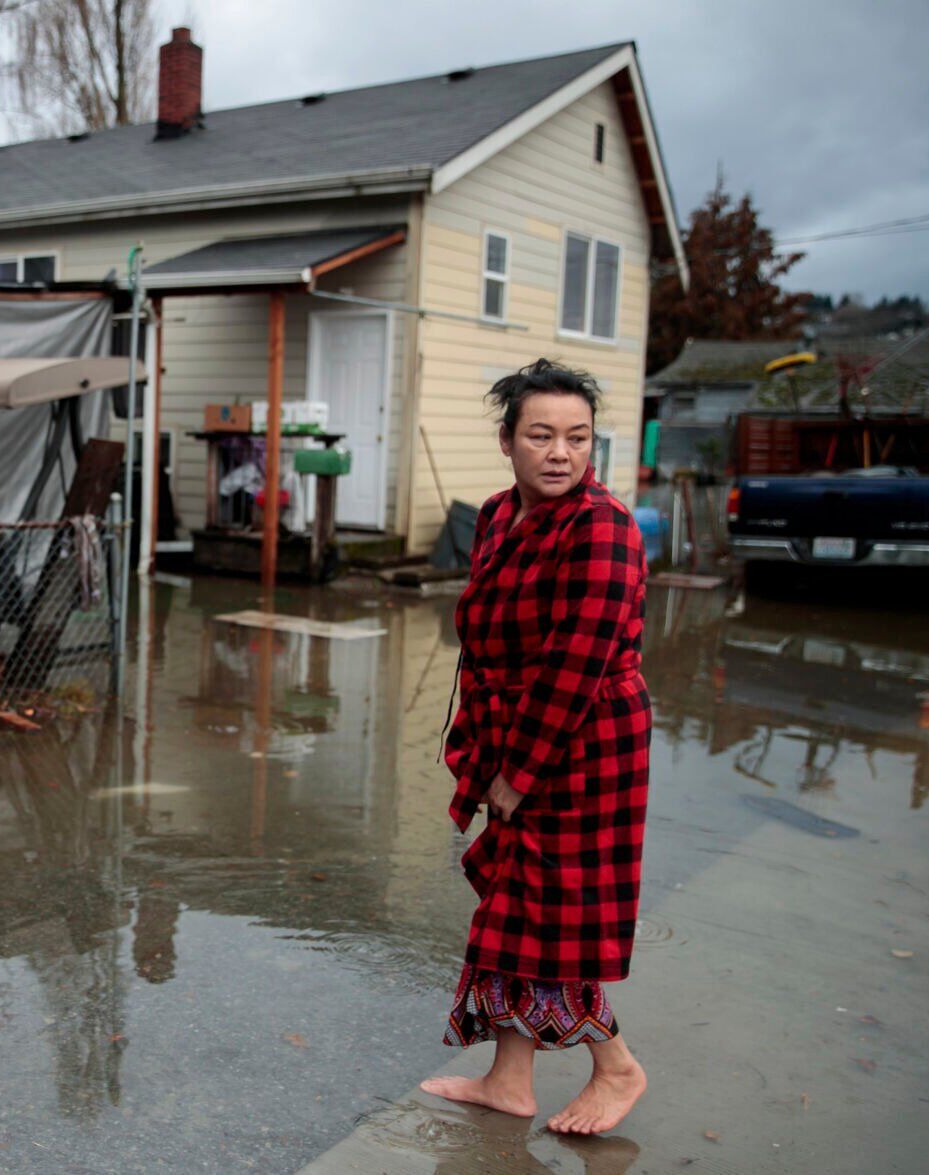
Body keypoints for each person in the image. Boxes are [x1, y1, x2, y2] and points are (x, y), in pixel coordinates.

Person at [421, 359, 651, 1135]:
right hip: (516, 729)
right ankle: (509, 1079)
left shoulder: (602, 528)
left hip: (582, 743)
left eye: (577, 437)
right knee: (513, 907)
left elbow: (574, 664)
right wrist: (488, 750)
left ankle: (616, 1066)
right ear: (507, 441)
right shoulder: (495, 514)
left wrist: (516, 773)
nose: (560, 452)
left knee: (546, 910)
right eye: (541, 435)